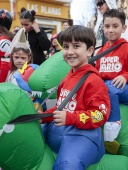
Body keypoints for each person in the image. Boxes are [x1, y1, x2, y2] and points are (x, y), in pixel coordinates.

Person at [41, 25, 111, 170]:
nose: (70, 52)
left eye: (76, 46)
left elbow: (100, 115)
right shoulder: (66, 79)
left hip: (85, 135)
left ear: (90, 50)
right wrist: (42, 116)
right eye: (66, 47)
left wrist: (70, 118)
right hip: (63, 130)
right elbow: (61, 107)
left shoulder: (94, 81)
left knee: (67, 166)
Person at [95, 9, 128, 144]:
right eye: (107, 26)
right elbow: (97, 74)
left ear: (124, 28)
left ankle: (114, 121)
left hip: (124, 91)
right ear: (103, 27)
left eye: (115, 26)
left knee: (110, 86)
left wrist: (125, 76)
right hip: (107, 91)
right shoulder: (100, 51)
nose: (110, 30)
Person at [7, 28, 46, 112]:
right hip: (15, 105)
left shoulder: (32, 71)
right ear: (12, 57)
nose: (19, 60)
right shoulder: (11, 73)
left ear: (29, 58)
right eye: (16, 57)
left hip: (29, 104)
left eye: (23, 58)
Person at [0, 9, 14, 84]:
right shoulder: (1, 39)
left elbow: (6, 65)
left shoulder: (3, 41)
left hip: (2, 77)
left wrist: (1, 84)